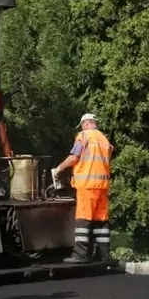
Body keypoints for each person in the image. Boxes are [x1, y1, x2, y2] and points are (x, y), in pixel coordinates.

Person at [52, 113, 114, 263]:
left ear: (85, 124)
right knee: (101, 221)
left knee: (83, 220)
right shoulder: (104, 139)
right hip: (103, 186)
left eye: (81, 126)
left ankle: (80, 255)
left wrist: (59, 168)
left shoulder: (83, 136)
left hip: (87, 185)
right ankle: (104, 256)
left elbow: (74, 157)